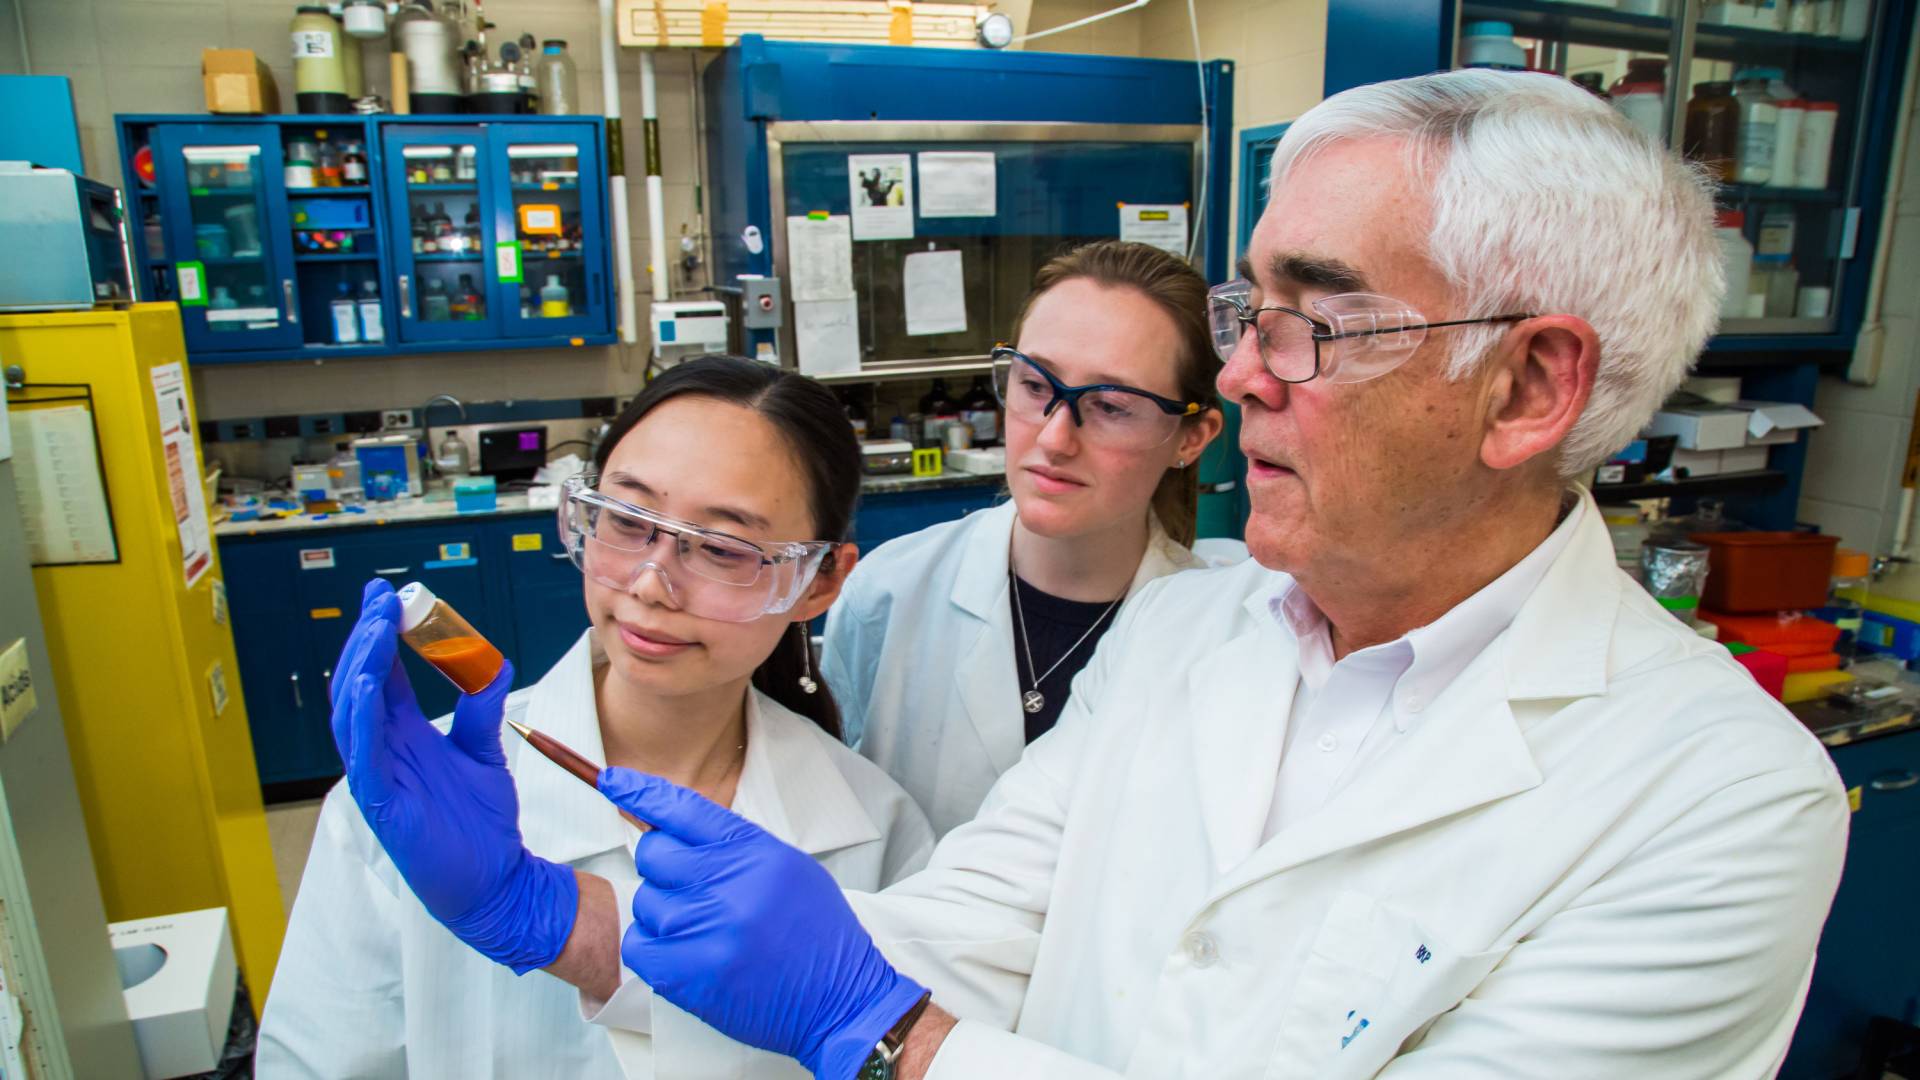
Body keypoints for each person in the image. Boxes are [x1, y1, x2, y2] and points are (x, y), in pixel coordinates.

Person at [330, 71, 1850, 1078]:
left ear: (1529, 391)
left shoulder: (1722, 804)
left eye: (1309, 323)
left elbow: (884, 1003)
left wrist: (893, 1037)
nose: (1242, 377)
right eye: (1248, 310)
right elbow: (957, 926)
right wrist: (568, 925)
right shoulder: (1188, 633)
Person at [257, 357, 933, 1078]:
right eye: (627, 520)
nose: (650, 584)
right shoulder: (414, 801)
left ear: (820, 580)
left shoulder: (878, 831)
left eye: (725, 548)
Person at [822, 239, 1224, 836]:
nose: (1055, 439)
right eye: (1036, 385)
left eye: (1111, 405)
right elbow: (836, 823)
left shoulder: (1224, 637)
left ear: (1191, 438)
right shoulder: (890, 592)